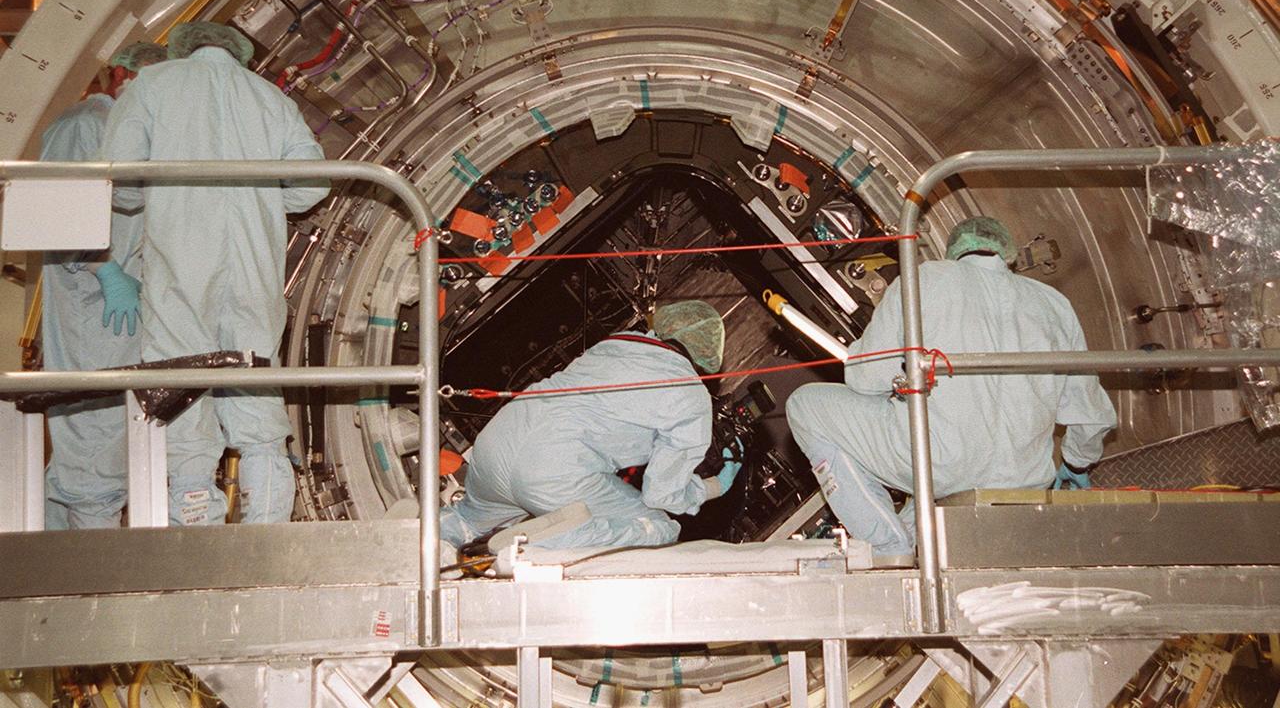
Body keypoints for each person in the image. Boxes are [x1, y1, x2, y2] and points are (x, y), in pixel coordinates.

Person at [101, 21, 330, 526]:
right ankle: (267, 523)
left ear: (181, 47)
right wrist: (269, 201)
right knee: (253, 382)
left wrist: (147, 199)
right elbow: (312, 185)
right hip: (254, 262)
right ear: (241, 54)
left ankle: (196, 520)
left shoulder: (151, 87)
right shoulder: (270, 97)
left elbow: (119, 177)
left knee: (182, 377)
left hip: (180, 254)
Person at [786, 215, 1116, 557]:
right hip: (1025, 478)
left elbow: (866, 379)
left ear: (953, 251)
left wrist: (872, 365)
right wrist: (1077, 462)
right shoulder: (1054, 305)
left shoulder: (922, 279)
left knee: (804, 405)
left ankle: (887, 543)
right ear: (1009, 255)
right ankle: (913, 532)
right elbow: (1091, 415)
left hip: (940, 466)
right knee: (928, 441)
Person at [439, 300, 741, 550]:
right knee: (659, 528)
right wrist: (713, 487)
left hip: (497, 443)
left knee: (466, 519)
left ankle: (415, 548)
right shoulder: (692, 397)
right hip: (554, 470)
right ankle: (531, 548)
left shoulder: (617, 343)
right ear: (705, 357)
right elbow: (661, 494)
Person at [42, 41, 167, 529]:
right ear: (120, 76)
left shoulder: (119, 128)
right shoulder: (82, 126)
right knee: (95, 447)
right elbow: (54, 216)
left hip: (115, 310)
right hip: (94, 304)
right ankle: (88, 589)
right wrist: (106, 270)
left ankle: (38, 579)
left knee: (89, 450)